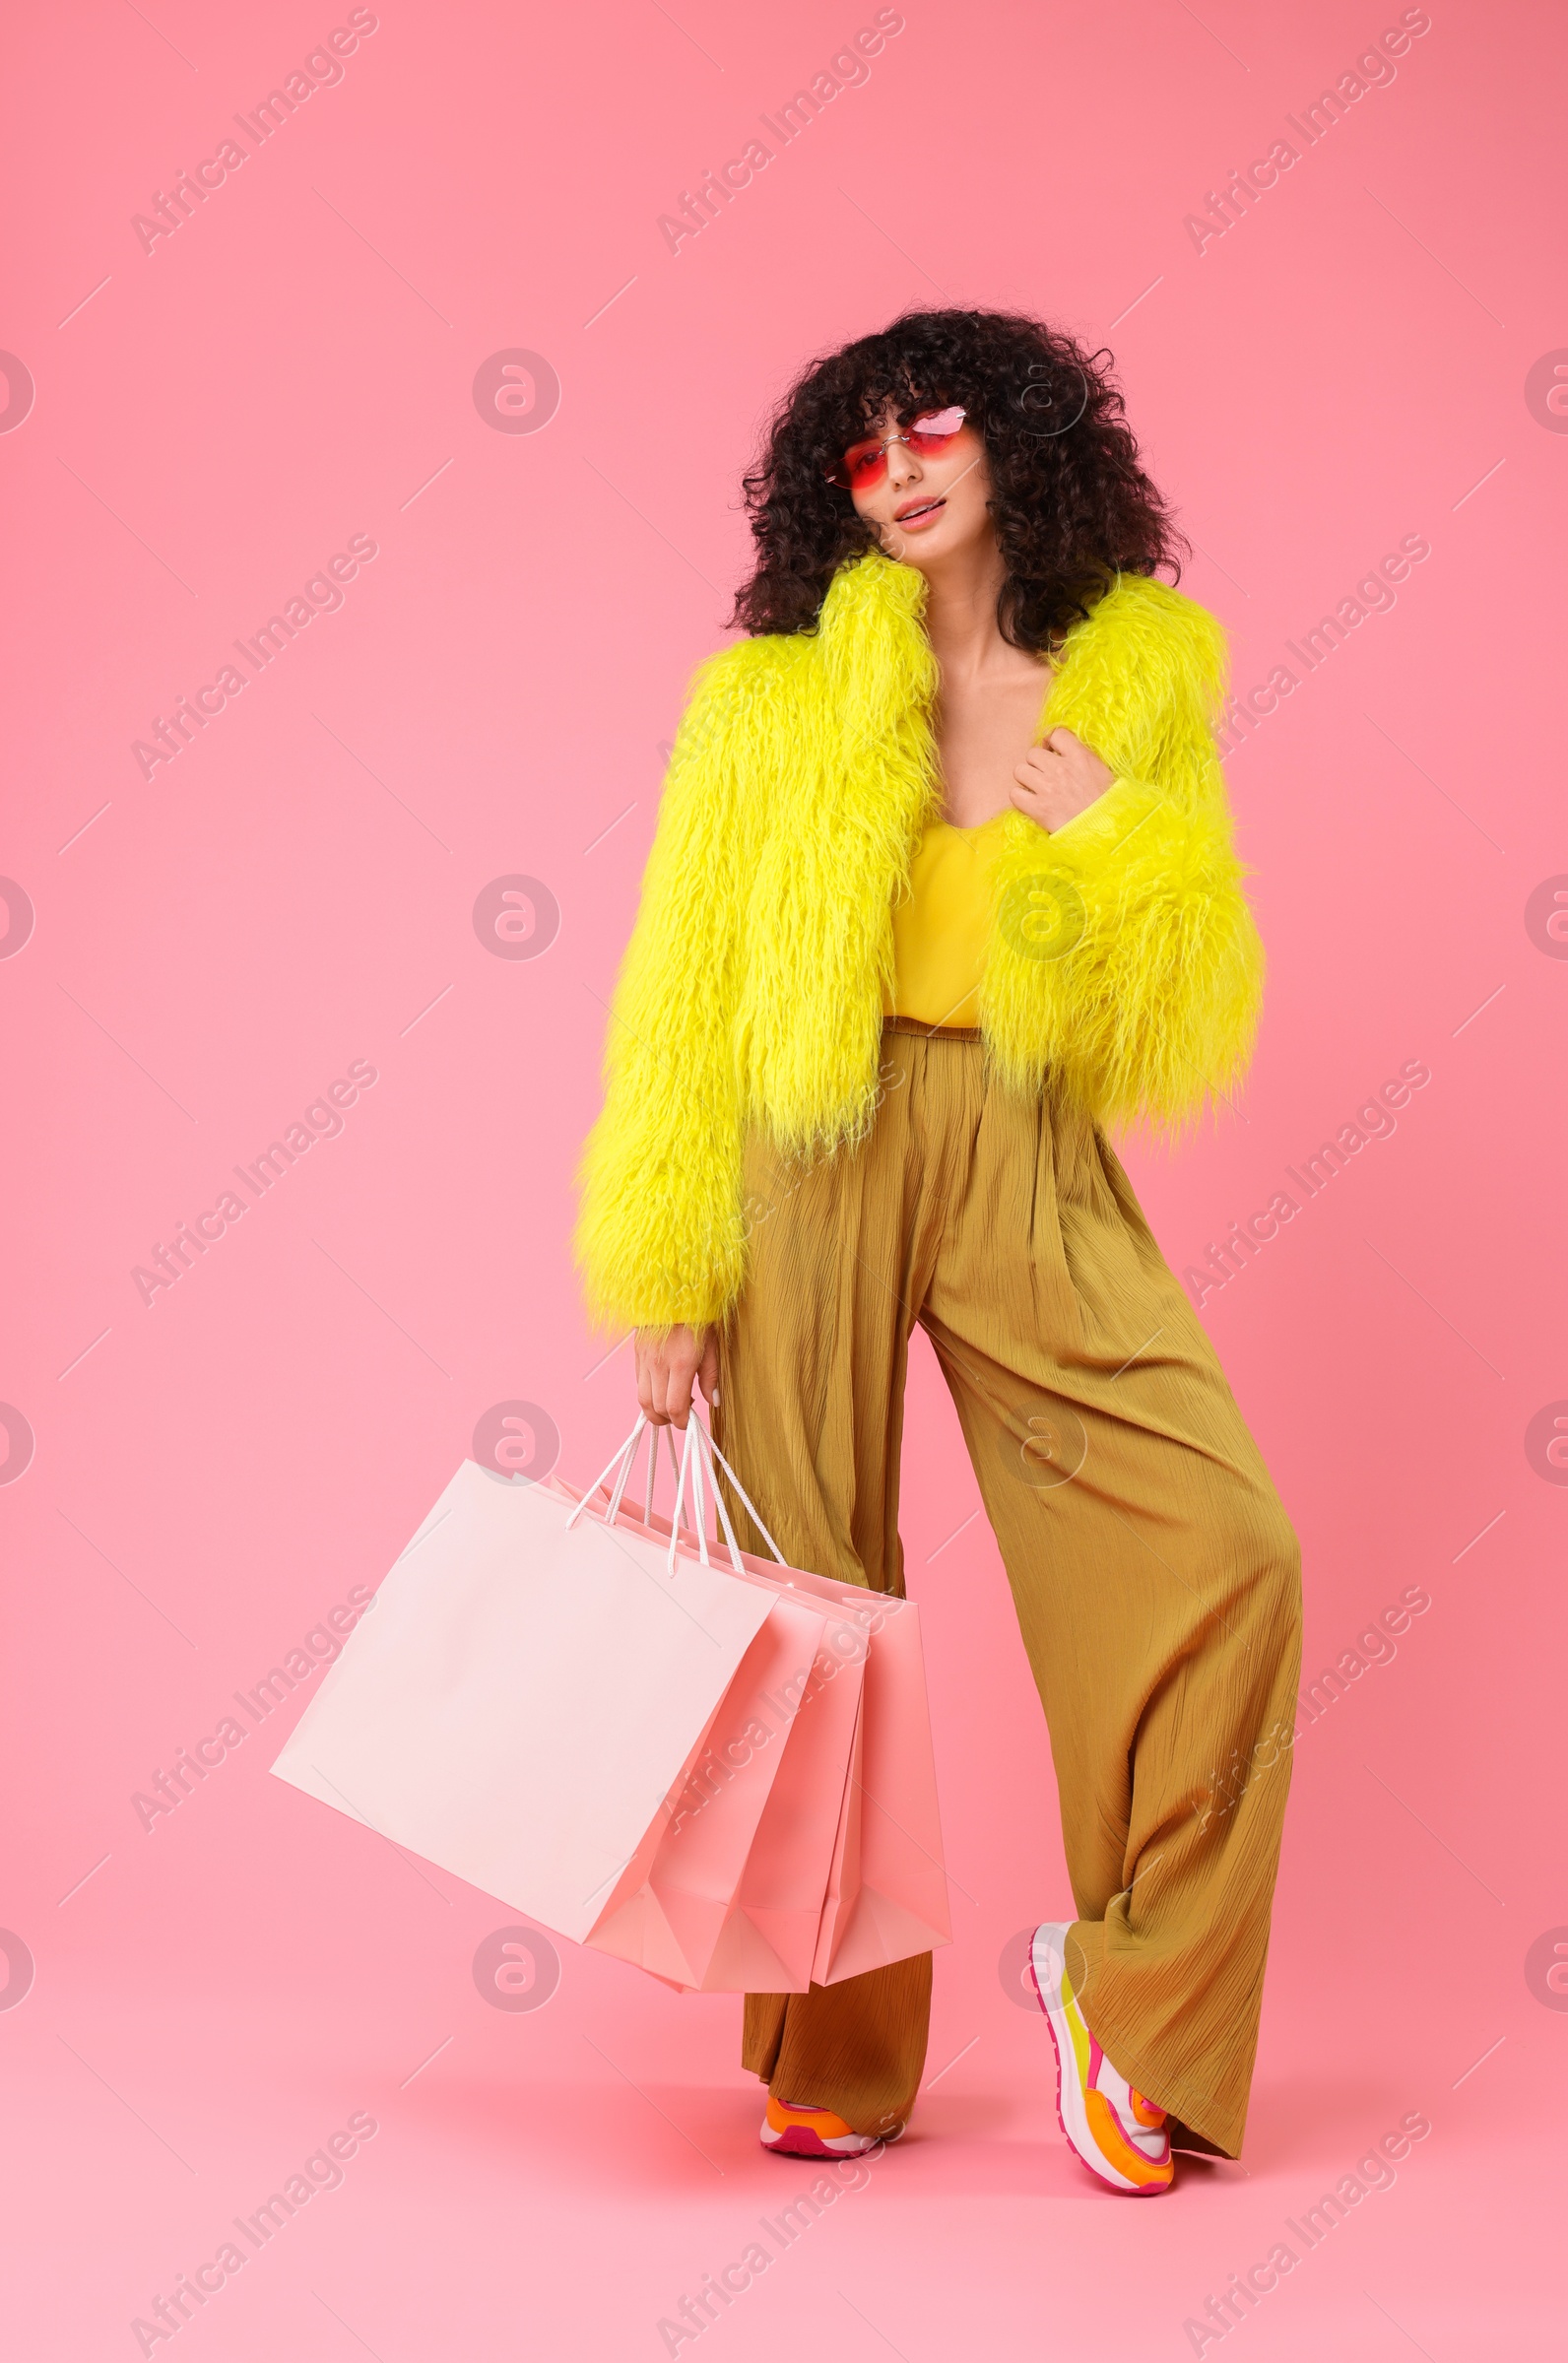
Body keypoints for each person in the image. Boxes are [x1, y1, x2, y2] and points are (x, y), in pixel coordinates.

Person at [575, 307, 1302, 2195]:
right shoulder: (764, 707)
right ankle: (838, 2040)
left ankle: (1127, 1998)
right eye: (861, 453)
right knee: (814, 1589)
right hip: (804, 1148)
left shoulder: (1134, 685)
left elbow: (1178, 1026)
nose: (898, 473)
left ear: (1022, 444)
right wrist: (667, 1266)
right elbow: (680, 990)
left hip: (1029, 1144)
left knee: (1229, 1547)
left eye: (933, 432)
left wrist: (1133, 841)